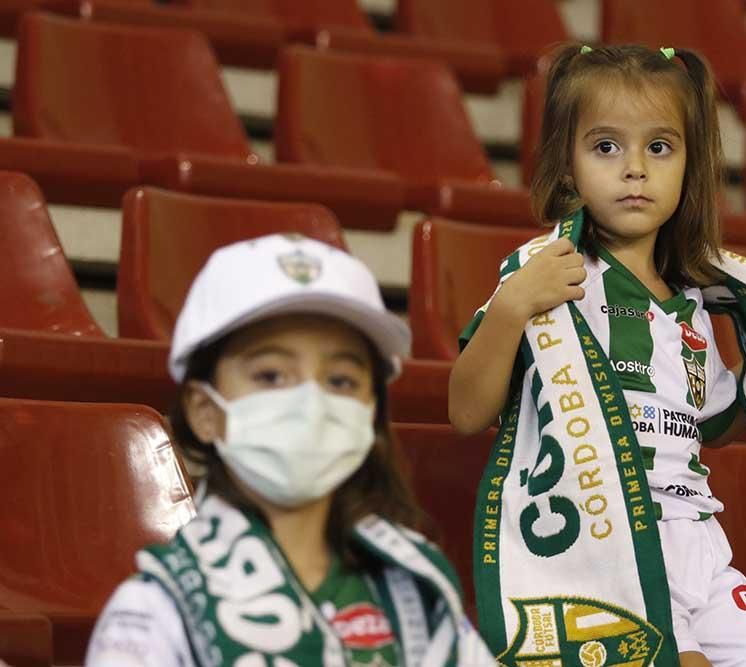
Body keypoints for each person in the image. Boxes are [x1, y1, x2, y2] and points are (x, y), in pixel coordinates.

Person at [450, 44, 746, 667]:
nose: (635, 168)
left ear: (690, 165)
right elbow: (466, 412)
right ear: (569, 166)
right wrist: (511, 308)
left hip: (698, 541)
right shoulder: (544, 274)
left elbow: (714, 426)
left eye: (659, 147)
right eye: (606, 147)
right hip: (605, 548)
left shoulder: (693, 297)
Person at [86, 234, 494, 667]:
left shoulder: (416, 587)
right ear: (204, 410)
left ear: (369, 413)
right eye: (271, 375)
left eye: (340, 381)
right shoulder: (156, 611)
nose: (310, 405)